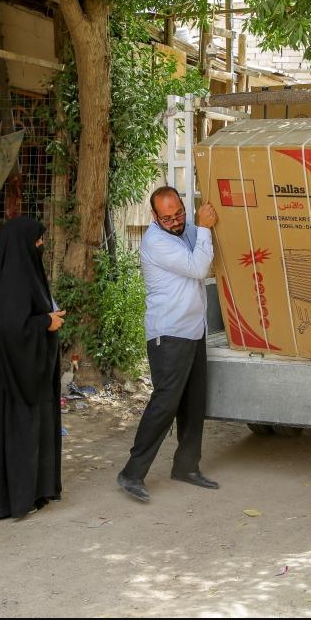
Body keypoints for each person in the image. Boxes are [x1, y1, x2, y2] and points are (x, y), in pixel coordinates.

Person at [0, 216, 67, 521]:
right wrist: (45, 322)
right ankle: (10, 500)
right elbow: (11, 327)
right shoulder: (16, 278)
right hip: (8, 375)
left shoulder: (3, 272)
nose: (41, 245)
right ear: (23, 245)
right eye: (38, 241)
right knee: (11, 432)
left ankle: (8, 498)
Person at [117, 186, 219, 503]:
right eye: (167, 218)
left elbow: (205, 246)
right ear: (154, 216)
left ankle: (187, 467)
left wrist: (201, 225)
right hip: (169, 333)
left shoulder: (185, 229)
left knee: (193, 403)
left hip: (193, 329)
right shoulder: (156, 241)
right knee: (165, 404)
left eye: (179, 214)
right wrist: (204, 227)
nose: (175, 222)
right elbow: (199, 267)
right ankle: (132, 473)